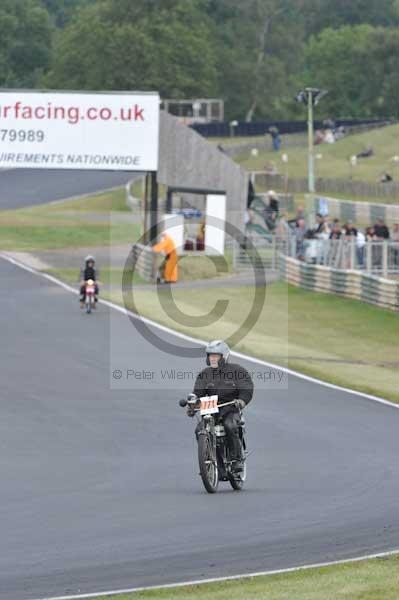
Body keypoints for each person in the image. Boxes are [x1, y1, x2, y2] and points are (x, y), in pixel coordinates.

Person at [188, 340, 254, 472]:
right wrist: (192, 406)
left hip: (230, 408)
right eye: (210, 356)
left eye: (215, 356)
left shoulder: (237, 370)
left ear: (223, 356)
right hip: (211, 409)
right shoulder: (204, 374)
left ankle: (236, 460)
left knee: (230, 425)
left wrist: (241, 400)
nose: (212, 358)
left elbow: (247, 388)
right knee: (199, 429)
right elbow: (198, 393)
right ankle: (211, 460)